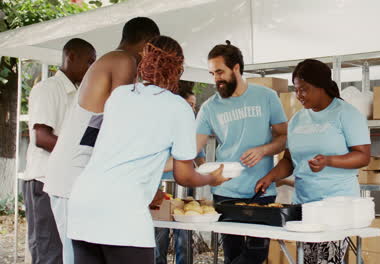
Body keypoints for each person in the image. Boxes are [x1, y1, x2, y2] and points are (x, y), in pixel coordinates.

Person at [66, 35, 227, 264]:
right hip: (123, 210)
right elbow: (184, 175)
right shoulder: (178, 107)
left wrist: (149, 186)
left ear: (144, 62)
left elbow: (125, 153)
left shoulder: (119, 95)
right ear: (177, 68)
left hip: (83, 204)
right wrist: (212, 178)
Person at [44, 17, 159, 264]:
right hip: (71, 176)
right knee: (76, 258)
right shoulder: (122, 60)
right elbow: (125, 120)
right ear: (147, 45)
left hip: (81, 176)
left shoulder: (114, 61)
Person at [255, 59, 371, 264]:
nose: (299, 95)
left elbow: (363, 156)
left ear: (321, 86)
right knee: (307, 260)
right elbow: (289, 160)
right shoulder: (297, 119)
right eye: (297, 90)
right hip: (303, 205)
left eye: (304, 90)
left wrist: (329, 160)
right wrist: (270, 177)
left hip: (336, 206)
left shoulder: (347, 114)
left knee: (327, 261)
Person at [196, 41, 288, 264]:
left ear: (236, 68)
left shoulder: (267, 96)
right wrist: (205, 171)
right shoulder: (209, 107)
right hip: (226, 191)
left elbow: (284, 138)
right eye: (212, 73)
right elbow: (192, 148)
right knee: (233, 255)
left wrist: (264, 150)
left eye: (220, 71)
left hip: (262, 190)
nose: (216, 78)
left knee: (256, 253)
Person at [21, 38, 96, 264]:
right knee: (48, 251)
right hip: (43, 181)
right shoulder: (48, 89)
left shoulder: (80, 94)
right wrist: (77, 154)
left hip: (65, 183)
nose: (92, 68)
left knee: (66, 252)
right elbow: (41, 137)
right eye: (89, 62)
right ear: (70, 56)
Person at [154, 87, 205, 264]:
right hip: (162, 187)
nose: (192, 110)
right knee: (159, 234)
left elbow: (201, 160)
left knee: (184, 234)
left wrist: (209, 174)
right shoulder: (161, 127)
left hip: (185, 188)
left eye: (194, 106)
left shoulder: (193, 131)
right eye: (189, 105)